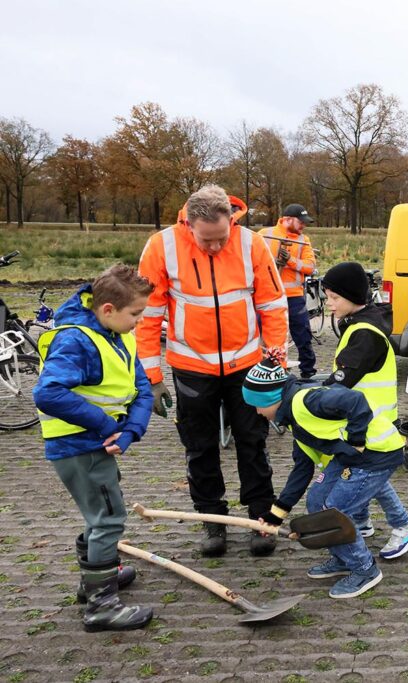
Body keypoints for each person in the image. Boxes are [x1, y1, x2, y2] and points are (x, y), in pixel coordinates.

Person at [137, 185, 289, 558]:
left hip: (248, 366)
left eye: (222, 238)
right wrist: (151, 380)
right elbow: (147, 316)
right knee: (199, 447)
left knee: (252, 442)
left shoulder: (252, 244)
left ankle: (260, 520)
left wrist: (275, 365)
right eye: (207, 241)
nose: (215, 247)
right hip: (192, 368)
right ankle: (213, 521)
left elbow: (272, 305)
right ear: (189, 225)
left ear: (232, 222)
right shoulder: (161, 247)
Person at [33, 264, 155, 632]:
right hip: (79, 447)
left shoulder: (117, 334)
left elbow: (141, 386)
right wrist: (106, 425)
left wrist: (132, 428)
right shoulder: (76, 341)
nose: (139, 322)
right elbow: (48, 393)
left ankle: (96, 580)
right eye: (135, 314)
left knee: (100, 514)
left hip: (99, 445)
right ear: (107, 310)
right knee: (108, 518)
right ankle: (101, 605)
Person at [241, 360, 402, 598]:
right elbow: (301, 471)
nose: (257, 412)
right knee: (317, 502)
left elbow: (355, 400)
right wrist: (276, 515)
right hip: (350, 458)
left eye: (257, 405)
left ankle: (365, 569)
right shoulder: (295, 421)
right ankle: (342, 558)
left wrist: (357, 439)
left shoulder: (307, 401)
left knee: (334, 511)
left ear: (271, 398)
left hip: (377, 454)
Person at [311, 260, 408, 555]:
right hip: (370, 420)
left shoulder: (365, 334)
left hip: (372, 423)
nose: (329, 304)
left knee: (368, 476)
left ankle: (403, 526)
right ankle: (362, 520)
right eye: (327, 297)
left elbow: (340, 383)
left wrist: (308, 398)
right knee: (368, 475)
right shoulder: (362, 323)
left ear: (353, 297)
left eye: (334, 298)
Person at [259, 203, 318, 379]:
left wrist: (290, 260)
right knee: (265, 336)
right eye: (301, 222)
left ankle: (308, 372)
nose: (303, 226)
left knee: (303, 335)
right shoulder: (264, 236)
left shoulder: (303, 240)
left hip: (294, 297)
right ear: (287, 219)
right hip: (267, 296)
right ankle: (267, 370)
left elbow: (310, 266)